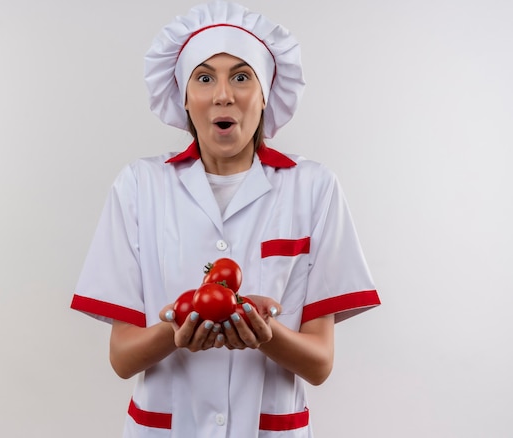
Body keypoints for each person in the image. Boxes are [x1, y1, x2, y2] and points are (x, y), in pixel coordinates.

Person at [70, 1, 381, 436]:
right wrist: (178, 329)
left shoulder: (313, 188)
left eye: (241, 76)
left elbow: (320, 364)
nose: (223, 94)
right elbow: (122, 358)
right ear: (183, 96)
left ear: (266, 93)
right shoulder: (139, 186)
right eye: (204, 77)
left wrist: (266, 334)